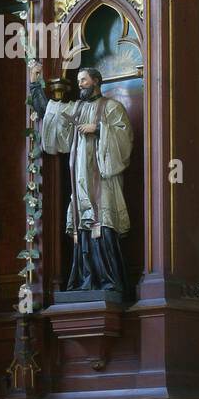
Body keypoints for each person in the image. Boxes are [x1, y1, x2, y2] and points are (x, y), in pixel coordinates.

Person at [29, 62, 133, 297]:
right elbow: (49, 114)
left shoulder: (112, 107)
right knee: (83, 228)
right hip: (81, 182)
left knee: (104, 226)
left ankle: (110, 282)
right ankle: (86, 280)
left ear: (95, 81)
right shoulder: (75, 108)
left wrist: (98, 128)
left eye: (83, 81)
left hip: (103, 179)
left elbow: (124, 136)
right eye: (78, 82)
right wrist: (35, 84)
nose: (80, 85)